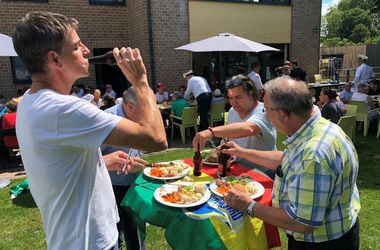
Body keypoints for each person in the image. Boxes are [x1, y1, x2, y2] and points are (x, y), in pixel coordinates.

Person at [13, 11, 167, 250]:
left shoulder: (31, 101)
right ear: (55, 59)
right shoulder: (63, 109)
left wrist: (102, 162)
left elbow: (55, 167)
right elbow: (156, 139)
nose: (86, 50)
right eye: (76, 46)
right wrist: (141, 82)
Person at [222, 77, 360, 250]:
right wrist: (240, 152)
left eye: (266, 110)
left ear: (283, 114)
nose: (265, 115)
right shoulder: (316, 128)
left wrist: (248, 205)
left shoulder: (312, 155)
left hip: (321, 243)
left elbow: (302, 223)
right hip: (339, 231)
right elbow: (286, 159)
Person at [192, 74, 276, 178]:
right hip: (237, 168)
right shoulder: (232, 111)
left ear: (251, 94)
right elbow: (229, 136)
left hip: (262, 172)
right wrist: (223, 147)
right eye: (231, 98)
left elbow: (249, 128)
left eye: (238, 97)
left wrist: (211, 132)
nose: (234, 102)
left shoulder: (264, 111)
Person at [101, 87, 147, 250]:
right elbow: (92, 159)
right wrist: (125, 164)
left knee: (136, 229)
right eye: (145, 110)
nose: (149, 116)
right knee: (119, 230)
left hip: (135, 181)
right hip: (115, 187)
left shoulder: (132, 115)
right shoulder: (107, 121)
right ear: (130, 107)